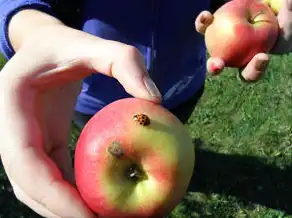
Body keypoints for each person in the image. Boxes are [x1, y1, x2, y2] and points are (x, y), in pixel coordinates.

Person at [0, 0, 291, 217]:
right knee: (163, 140)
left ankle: (178, 164)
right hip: (92, 92)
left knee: (173, 127)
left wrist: (250, 8)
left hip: (182, 83)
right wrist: (32, 28)